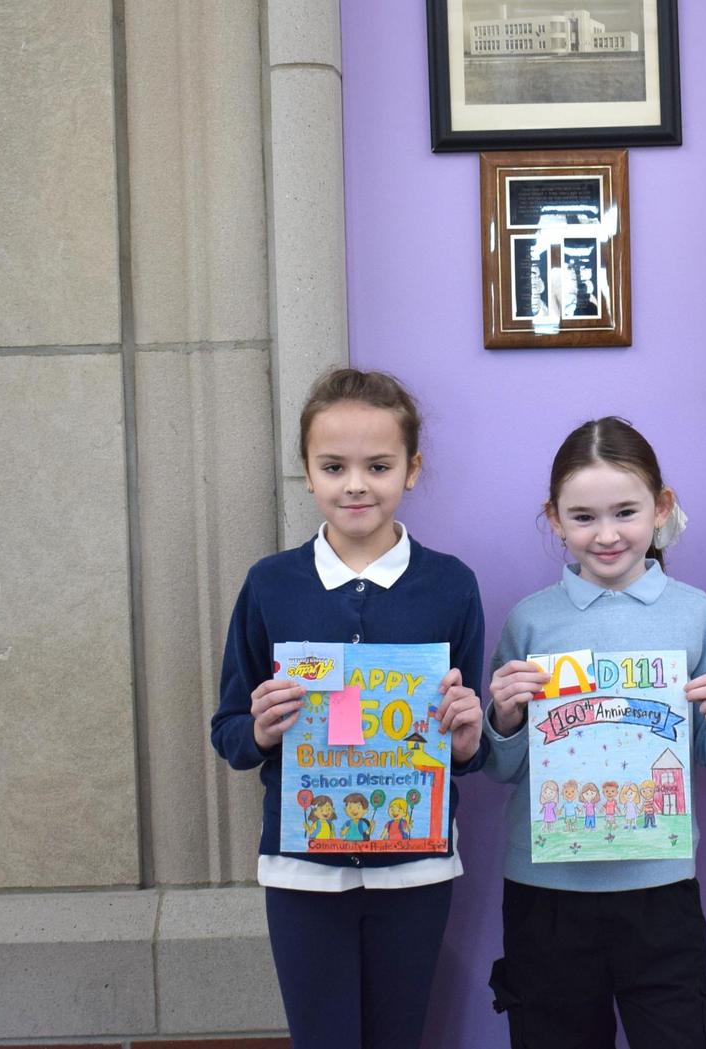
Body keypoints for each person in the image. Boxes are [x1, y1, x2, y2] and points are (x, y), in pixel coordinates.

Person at [210, 367, 488, 1049]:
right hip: (302, 866)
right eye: (334, 465)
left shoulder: (450, 584)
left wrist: (467, 734)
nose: (356, 483)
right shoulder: (270, 584)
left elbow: (470, 746)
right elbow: (229, 730)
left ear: (412, 470)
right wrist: (262, 728)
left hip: (416, 866)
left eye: (378, 465)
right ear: (307, 472)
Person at [483, 416, 706, 1049]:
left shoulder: (697, 616)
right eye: (583, 517)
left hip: (659, 891)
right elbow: (501, 769)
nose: (606, 534)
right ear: (554, 519)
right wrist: (502, 720)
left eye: (625, 512)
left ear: (661, 509)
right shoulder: (530, 621)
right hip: (545, 892)